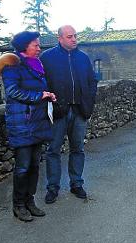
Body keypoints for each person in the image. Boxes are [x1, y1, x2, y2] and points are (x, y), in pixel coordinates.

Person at [0, 31, 56, 222]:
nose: (39, 48)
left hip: (37, 122)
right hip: (22, 123)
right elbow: (12, 92)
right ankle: (18, 205)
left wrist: (47, 95)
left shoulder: (36, 66)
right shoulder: (12, 66)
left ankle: (30, 202)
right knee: (22, 167)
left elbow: (37, 90)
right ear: (24, 46)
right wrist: (40, 96)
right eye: (35, 45)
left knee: (35, 165)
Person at [40, 25, 98, 203]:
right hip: (58, 112)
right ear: (60, 38)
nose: (74, 39)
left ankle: (76, 184)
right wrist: (51, 103)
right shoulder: (47, 58)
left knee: (78, 149)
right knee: (53, 150)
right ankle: (52, 188)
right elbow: (42, 83)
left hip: (79, 110)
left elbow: (92, 81)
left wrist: (88, 101)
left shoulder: (83, 58)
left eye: (75, 36)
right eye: (69, 36)